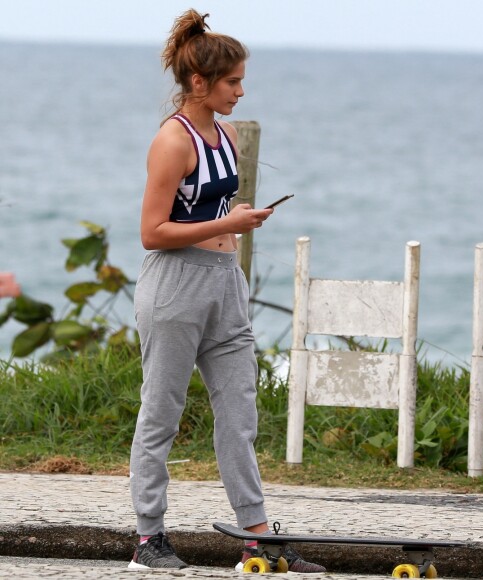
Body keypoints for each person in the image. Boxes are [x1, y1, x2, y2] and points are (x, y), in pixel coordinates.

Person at [128, 9, 325, 573]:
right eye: (232, 81)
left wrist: (235, 215)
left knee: (239, 413)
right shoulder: (172, 142)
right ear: (199, 84)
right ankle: (148, 538)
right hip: (175, 286)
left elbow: (209, 208)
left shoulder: (229, 134)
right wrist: (227, 226)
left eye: (241, 80)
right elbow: (152, 231)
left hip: (224, 284)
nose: (241, 91)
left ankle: (256, 535)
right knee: (160, 413)